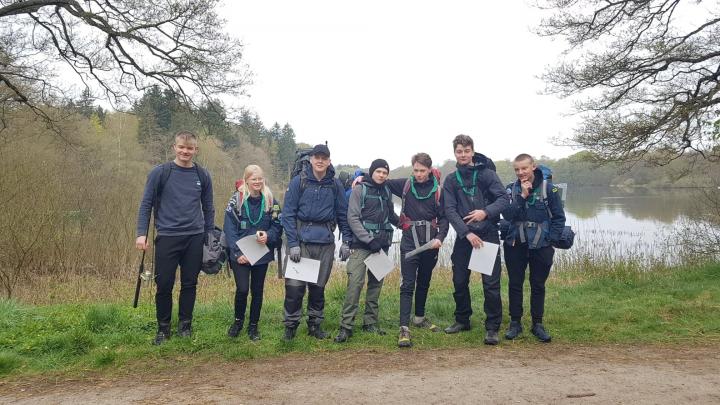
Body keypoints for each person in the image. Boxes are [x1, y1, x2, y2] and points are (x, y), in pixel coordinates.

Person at [135, 130, 214, 345]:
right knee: (164, 284)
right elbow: (146, 204)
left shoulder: (202, 175)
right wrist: (141, 233)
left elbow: (208, 207)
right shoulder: (160, 173)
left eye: (189, 148)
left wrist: (209, 236)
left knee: (190, 283)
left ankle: (185, 326)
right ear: (174, 148)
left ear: (195, 150)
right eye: (181, 147)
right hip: (168, 236)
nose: (185, 151)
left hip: (194, 237)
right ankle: (163, 329)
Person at [281, 144, 353, 340]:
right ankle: (290, 326)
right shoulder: (299, 182)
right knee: (294, 288)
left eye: (324, 158)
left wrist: (346, 241)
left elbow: (342, 214)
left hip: (325, 242)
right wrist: (293, 243)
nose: (320, 161)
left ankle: (315, 325)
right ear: (311, 160)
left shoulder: (335, 184)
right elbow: (288, 214)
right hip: (301, 241)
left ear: (329, 161)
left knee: (318, 287)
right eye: (317, 157)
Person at [443, 134, 509, 345]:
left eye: (466, 150)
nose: (463, 154)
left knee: (490, 284)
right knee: (459, 280)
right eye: (459, 151)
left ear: (472, 151)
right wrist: (467, 233)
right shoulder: (451, 179)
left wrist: (485, 212)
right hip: (465, 237)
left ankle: (492, 327)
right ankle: (462, 319)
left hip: (487, 234)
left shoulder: (487, 174)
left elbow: (504, 199)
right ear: (455, 153)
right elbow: (450, 209)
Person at [383, 153, 449, 348]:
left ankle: (419, 318)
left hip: (431, 244)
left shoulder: (439, 191)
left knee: (424, 281)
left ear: (429, 170)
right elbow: (381, 180)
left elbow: (444, 217)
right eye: (416, 170)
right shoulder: (404, 185)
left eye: (422, 171)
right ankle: (404, 327)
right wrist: (361, 177)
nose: (418, 174)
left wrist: (440, 238)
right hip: (409, 242)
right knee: (407, 283)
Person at [501, 154, 566, 343]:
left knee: (538, 285)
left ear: (533, 167)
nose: (521, 173)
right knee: (515, 284)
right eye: (517, 169)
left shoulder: (549, 189)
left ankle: (537, 324)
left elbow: (559, 218)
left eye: (524, 168)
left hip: (542, 246)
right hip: (515, 244)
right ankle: (515, 323)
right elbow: (507, 215)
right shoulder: (510, 190)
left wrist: (551, 241)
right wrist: (522, 196)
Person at [335, 159, 399, 343]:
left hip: (381, 246)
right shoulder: (359, 190)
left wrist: (404, 223)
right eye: (378, 171)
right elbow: (352, 218)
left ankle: (370, 322)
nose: (381, 175)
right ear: (372, 172)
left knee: (376, 286)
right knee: (355, 284)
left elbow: (391, 215)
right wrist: (369, 240)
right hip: (361, 246)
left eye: (385, 172)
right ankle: (346, 326)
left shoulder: (387, 191)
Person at [223, 165, 282, 341]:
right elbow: (229, 229)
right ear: (246, 180)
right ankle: (238, 322)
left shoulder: (271, 201)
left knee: (257, 290)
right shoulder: (236, 200)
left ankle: (253, 326)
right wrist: (236, 253)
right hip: (240, 254)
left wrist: (269, 236)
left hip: (260, 253)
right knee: (242, 289)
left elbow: (278, 225)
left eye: (260, 178)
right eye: (253, 179)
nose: (257, 182)